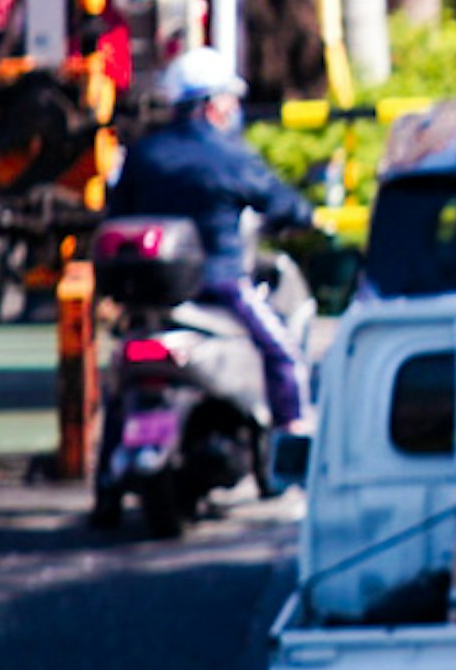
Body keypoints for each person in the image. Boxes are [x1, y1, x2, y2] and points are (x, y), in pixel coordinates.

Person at [113, 44, 316, 429]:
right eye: (228, 99)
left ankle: (111, 462)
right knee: (282, 351)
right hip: (220, 284)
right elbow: (279, 201)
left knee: (120, 379)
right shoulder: (228, 156)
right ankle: (292, 437)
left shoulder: (145, 155)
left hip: (150, 294)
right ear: (210, 104)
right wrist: (305, 215)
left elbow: (118, 213)